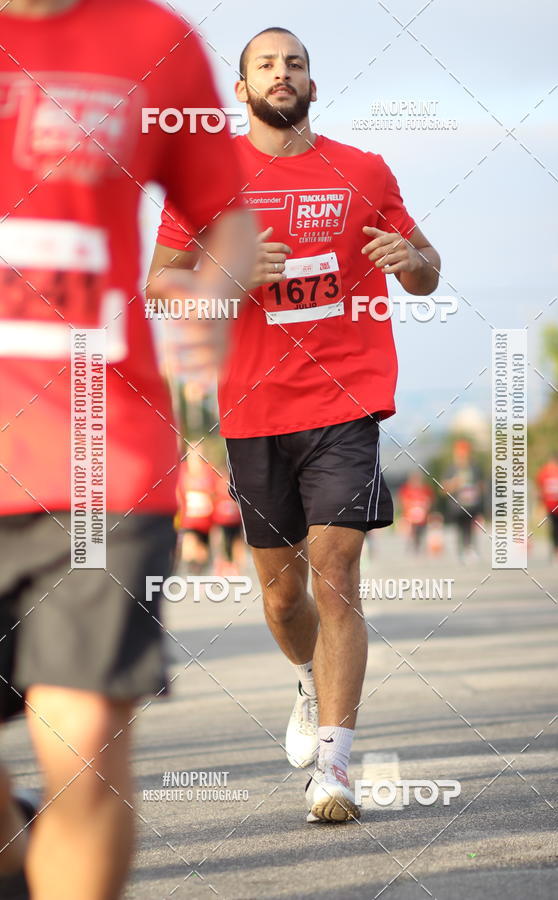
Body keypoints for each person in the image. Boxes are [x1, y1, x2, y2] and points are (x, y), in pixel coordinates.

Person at [148, 26, 440, 823]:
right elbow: (160, 286)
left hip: (347, 399)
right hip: (254, 408)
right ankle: (308, 683)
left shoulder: (363, 170)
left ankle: (337, 769)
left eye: (296, 63)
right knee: (283, 600)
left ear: (314, 82)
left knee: (336, 574)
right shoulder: (210, 180)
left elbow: (426, 269)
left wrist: (407, 260)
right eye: (266, 65)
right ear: (241, 90)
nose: (284, 74)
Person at [0, 1, 256, 897]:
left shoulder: (155, 44)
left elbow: (226, 211)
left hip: (95, 455)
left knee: (80, 749)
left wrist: (212, 303)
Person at [443, 439, 484, 561]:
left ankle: (469, 549)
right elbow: (443, 488)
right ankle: (460, 550)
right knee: (460, 527)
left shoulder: (475, 468)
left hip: (472, 504)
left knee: (470, 527)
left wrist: (477, 491)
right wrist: (454, 483)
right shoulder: (451, 469)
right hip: (456, 505)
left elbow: (481, 485)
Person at [177, 453, 216, 573]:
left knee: (202, 552)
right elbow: (178, 491)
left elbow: (215, 491)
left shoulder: (208, 470)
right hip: (188, 519)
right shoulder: (182, 470)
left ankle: (200, 571)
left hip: (205, 520)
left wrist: (209, 502)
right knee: (189, 545)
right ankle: (191, 569)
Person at [398, 472, 435, 553]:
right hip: (410, 516)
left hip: (422, 517)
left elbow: (430, 501)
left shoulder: (425, 489)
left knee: (420, 533)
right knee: (410, 532)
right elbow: (403, 501)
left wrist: (425, 507)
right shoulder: (406, 489)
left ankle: (418, 547)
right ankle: (411, 546)